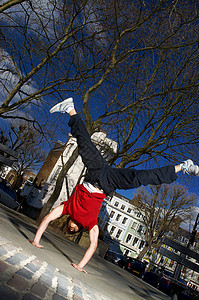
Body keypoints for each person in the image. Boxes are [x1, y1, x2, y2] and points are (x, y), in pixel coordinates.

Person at [30, 97, 199, 273]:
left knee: (84, 144)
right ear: (79, 228)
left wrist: (36, 240)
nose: (72, 228)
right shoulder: (91, 224)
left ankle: (70, 109)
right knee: (140, 177)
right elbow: (93, 245)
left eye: (70, 228)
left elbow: (48, 218)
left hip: (94, 173)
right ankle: (183, 167)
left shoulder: (66, 209)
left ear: (68, 222)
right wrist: (80, 266)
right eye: (74, 231)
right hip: (109, 182)